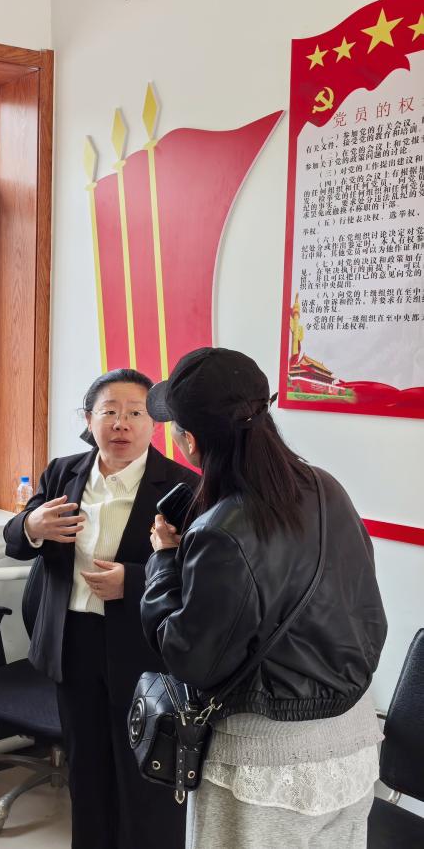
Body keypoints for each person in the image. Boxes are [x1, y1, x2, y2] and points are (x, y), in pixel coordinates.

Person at [141, 347, 387, 849]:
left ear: (191, 441)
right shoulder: (326, 488)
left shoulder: (221, 531)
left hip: (267, 757)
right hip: (353, 737)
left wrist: (164, 561)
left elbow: (191, 660)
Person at [3, 369, 199, 849]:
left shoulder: (182, 487)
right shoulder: (63, 473)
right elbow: (15, 541)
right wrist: (32, 526)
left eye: (135, 413)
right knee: (86, 772)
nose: (121, 424)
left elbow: (197, 576)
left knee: (145, 777)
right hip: (73, 643)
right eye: (109, 411)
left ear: (155, 424)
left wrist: (133, 580)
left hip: (142, 650)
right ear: (89, 419)